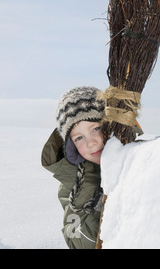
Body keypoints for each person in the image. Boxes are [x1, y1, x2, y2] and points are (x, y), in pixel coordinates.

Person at [41, 86, 105, 249]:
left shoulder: (137, 154)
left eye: (96, 128)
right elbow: (77, 242)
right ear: (71, 146)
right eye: (79, 138)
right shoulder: (72, 186)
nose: (90, 142)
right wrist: (91, 189)